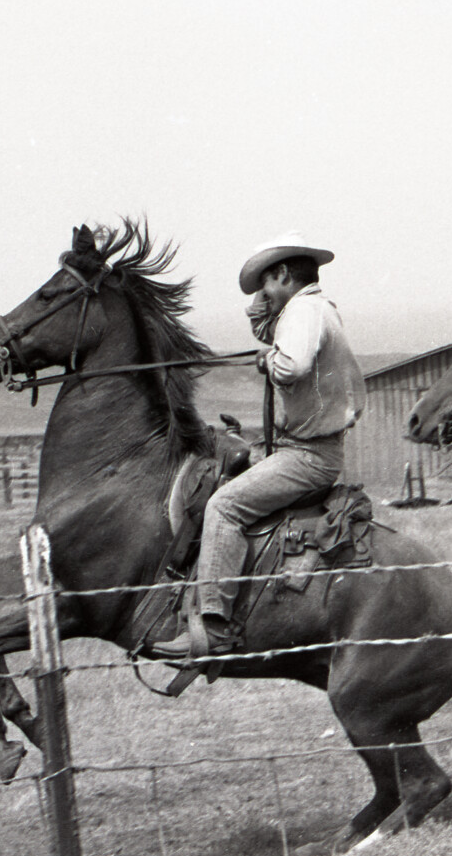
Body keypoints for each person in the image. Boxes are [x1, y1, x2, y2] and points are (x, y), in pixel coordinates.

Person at [157, 233, 367, 670]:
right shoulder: (307, 310)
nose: (263, 294)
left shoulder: (305, 311)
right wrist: (266, 302)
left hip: (307, 456)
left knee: (224, 505)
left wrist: (264, 361)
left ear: (285, 275)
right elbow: (266, 328)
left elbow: (291, 366)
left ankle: (214, 627)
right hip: (303, 449)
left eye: (266, 283)